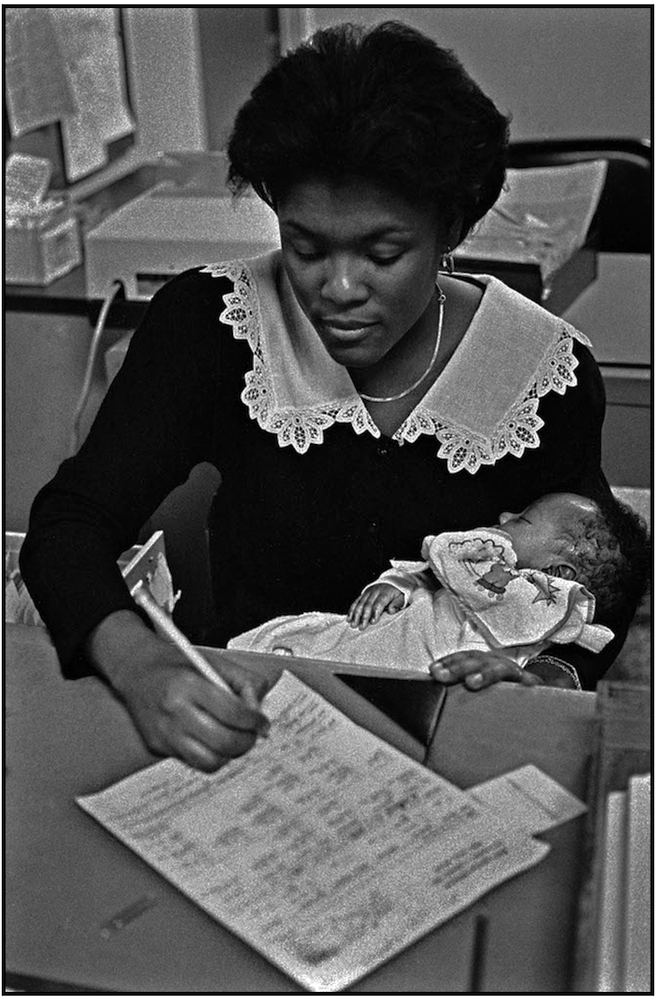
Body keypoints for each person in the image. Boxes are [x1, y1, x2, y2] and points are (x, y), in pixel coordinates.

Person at [20, 21, 627, 772]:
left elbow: (606, 574)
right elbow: (69, 522)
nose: (338, 291)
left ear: (452, 228)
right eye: (305, 247)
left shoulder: (541, 372)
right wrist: (140, 665)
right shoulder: (213, 327)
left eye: (382, 253)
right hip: (255, 723)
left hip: (450, 741)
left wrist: (540, 677)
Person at [228, 493, 649, 689]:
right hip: (369, 642)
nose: (503, 512)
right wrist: (393, 585)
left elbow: (575, 653)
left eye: (521, 520)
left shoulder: (546, 611)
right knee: (300, 643)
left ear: (555, 575)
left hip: (423, 687)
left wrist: (540, 681)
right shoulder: (469, 565)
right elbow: (424, 571)